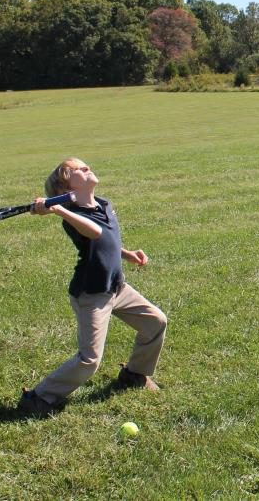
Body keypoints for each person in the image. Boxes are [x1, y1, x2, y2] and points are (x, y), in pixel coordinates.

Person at [18, 157, 167, 415]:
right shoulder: (73, 216)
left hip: (117, 287)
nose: (86, 168)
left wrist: (127, 253)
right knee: (89, 360)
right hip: (92, 293)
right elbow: (93, 232)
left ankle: (135, 374)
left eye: (85, 165)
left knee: (155, 321)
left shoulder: (104, 204)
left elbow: (107, 239)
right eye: (77, 170)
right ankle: (38, 397)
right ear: (66, 191)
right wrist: (58, 210)